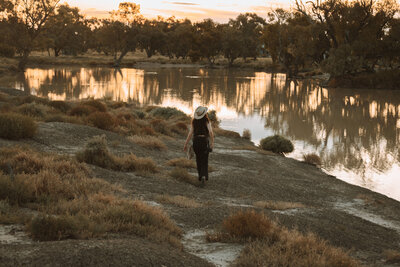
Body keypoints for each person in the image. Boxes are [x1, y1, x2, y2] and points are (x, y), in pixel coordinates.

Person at [183, 106, 214, 183]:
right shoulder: (206, 121)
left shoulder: (194, 121)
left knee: (198, 159)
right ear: (204, 113)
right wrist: (212, 142)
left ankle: (200, 176)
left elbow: (190, 133)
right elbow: (210, 132)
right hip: (204, 141)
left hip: (196, 141)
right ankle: (204, 176)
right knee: (204, 159)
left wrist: (186, 143)